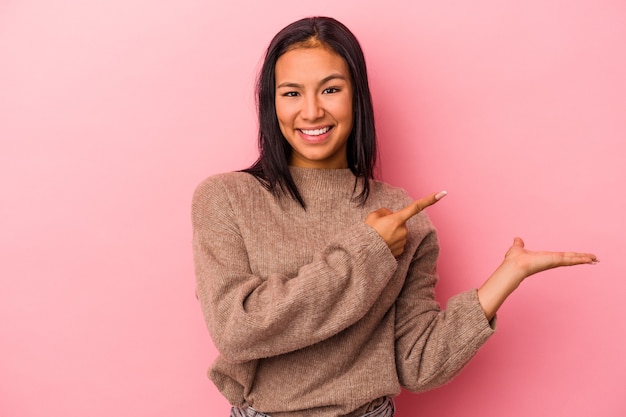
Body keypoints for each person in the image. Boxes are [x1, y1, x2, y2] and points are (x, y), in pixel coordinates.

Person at [191, 16, 597, 417]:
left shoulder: (400, 215)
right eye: (292, 93)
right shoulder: (226, 199)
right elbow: (236, 330)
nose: (312, 111)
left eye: (330, 89)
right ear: (271, 101)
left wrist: (505, 279)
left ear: (356, 97)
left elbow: (417, 364)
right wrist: (368, 251)